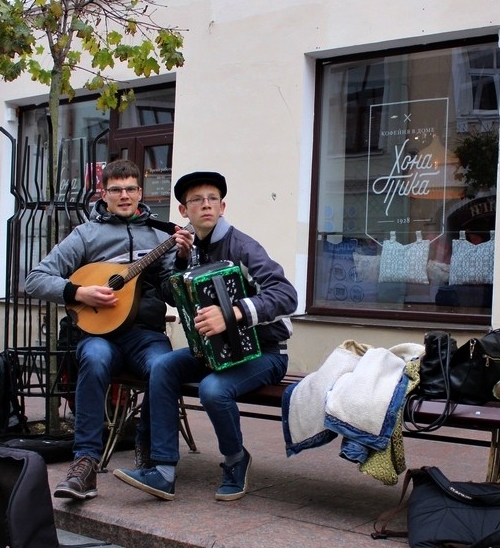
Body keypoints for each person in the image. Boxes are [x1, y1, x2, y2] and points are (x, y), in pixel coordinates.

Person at [113, 171, 297, 501]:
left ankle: (236, 459)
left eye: (213, 199)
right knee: (164, 367)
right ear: (184, 211)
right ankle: (163, 470)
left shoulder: (243, 247)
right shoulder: (192, 248)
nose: (206, 205)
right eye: (197, 200)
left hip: (265, 352)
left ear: (223, 206)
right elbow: (177, 296)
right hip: (216, 352)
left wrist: (234, 313)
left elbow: (286, 295)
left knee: (213, 389)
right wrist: (181, 261)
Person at [25, 159, 179, 501]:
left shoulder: (160, 235)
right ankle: (85, 465)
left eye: (130, 189)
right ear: (103, 193)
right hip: (98, 334)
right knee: (93, 359)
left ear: (141, 193)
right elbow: (34, 280)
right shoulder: (86, 234)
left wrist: (180, 261)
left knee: (164, 366)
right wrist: (78, 292)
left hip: (145, 334)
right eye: (116, 190)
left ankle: (152, 456)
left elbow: (172, 294)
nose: (124, 196)